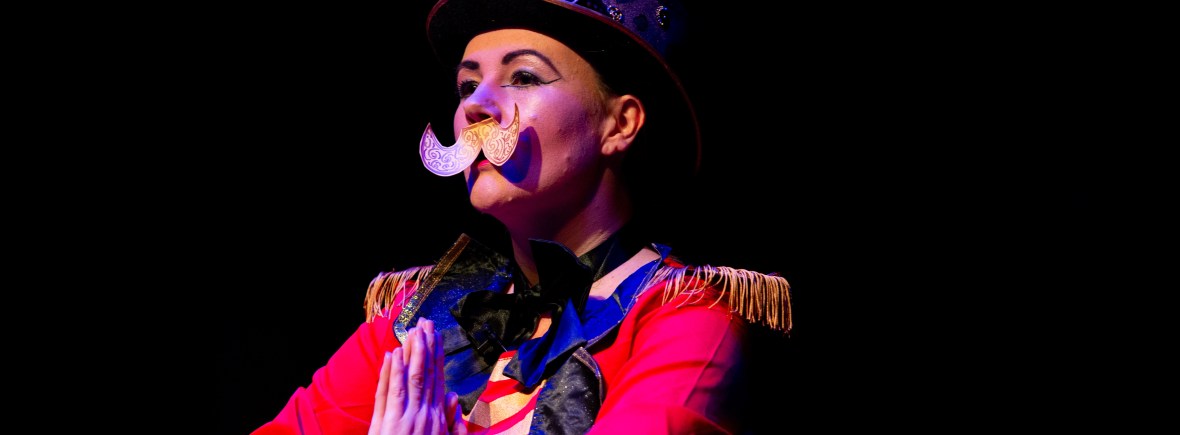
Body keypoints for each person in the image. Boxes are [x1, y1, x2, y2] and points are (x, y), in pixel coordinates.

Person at [253, 0, 792, 433]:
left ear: (620, 124)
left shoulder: (684, 317)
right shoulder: (420, 320)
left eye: (524, 78)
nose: (475, 107)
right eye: (467, 86)